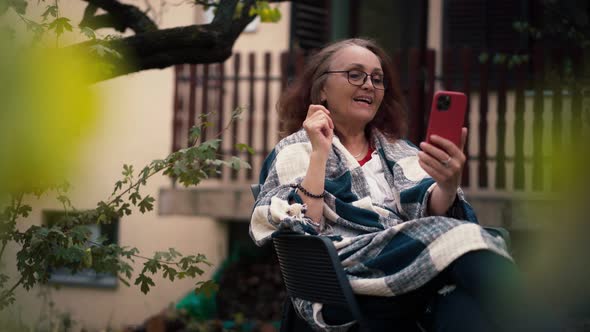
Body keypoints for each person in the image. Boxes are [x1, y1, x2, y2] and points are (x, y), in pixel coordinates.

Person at [249, 38, 554, 331]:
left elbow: (427, 209)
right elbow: (298, 228)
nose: (369, 84)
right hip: (341, 279)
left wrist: (448, 185)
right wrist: (319, 153)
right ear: (323, 89)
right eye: (355, 75)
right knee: (463, 240)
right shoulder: (296, 150)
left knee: (458, 305)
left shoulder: (401, 151)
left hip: (409, 271)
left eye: (377, 79)